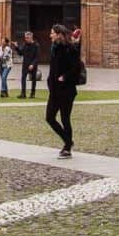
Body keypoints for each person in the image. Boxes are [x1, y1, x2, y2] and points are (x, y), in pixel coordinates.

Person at [45, 23, 81, 158]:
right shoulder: (54, 47)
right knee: (49, 117)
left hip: (66, 90)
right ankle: (68, 141)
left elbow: (76, 68)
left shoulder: (70, 48)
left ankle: (67, 148)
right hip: (54, 90)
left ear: (59, 34)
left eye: (52, 33)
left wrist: (64, 77)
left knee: (65, 118)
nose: (50, 35)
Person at [15, 31, 40, 99]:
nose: (26, 39)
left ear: (31, 37)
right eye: (25, 38)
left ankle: (32, 94)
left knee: (33, 79)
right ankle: (23, 94)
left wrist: (32, 64)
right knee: (23, 78)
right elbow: (21, 53)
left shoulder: (36, 45)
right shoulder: (25, 45)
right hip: (25, 64)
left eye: (27, 38)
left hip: (33, 65)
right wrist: (17, 47)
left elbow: (37, 57)